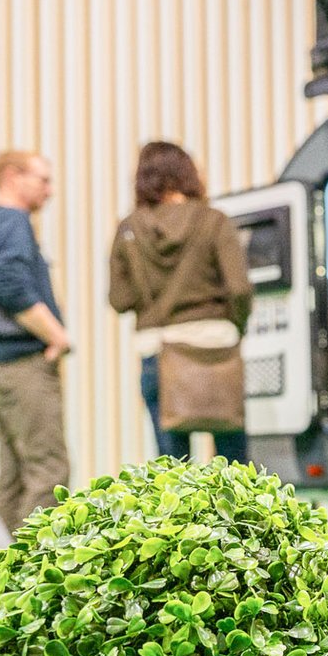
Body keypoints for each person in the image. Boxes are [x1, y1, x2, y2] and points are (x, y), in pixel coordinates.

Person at [109, 142, 253, 462]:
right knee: (233, 464)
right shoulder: (214, 221)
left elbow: (119, 299)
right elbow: (240, 289)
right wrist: (236, 325)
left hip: (159, 352)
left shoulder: (129, 229)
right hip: (216, 348)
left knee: (172, 468)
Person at [0, 151, 72, 531]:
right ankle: (37, 562)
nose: (50, 190)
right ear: (12, 177)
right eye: (43, 180)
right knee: (49, 471)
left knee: (15, 472)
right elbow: (9, 283)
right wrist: (57, 335)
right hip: (20, 361)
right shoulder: (13, 221)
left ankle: (0, 560)